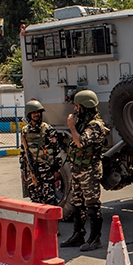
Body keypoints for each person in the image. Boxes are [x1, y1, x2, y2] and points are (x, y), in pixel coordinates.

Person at [60, 90, 109, 252]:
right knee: (77, 203)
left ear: (85, 107)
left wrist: (71, 127)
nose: (75, 109)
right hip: (78, 169)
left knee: (92, 205)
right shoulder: (83, 122)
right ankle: (78, 234)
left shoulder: (95, 126)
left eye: (77, 106)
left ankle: (95, 238)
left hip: (90, 171)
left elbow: (81, 142)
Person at [20, 99, 64, 205]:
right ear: (29, 114)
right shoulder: (25, 131)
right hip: (32, 170)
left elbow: (56, 150)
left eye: (38, 112)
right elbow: (23, 151)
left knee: (50, 198)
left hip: (46, 169)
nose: (36, 115)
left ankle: (51, 221)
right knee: (35, 199)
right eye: (34, 113)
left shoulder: (48, 129)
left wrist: (56, 170)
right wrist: (23, 170)